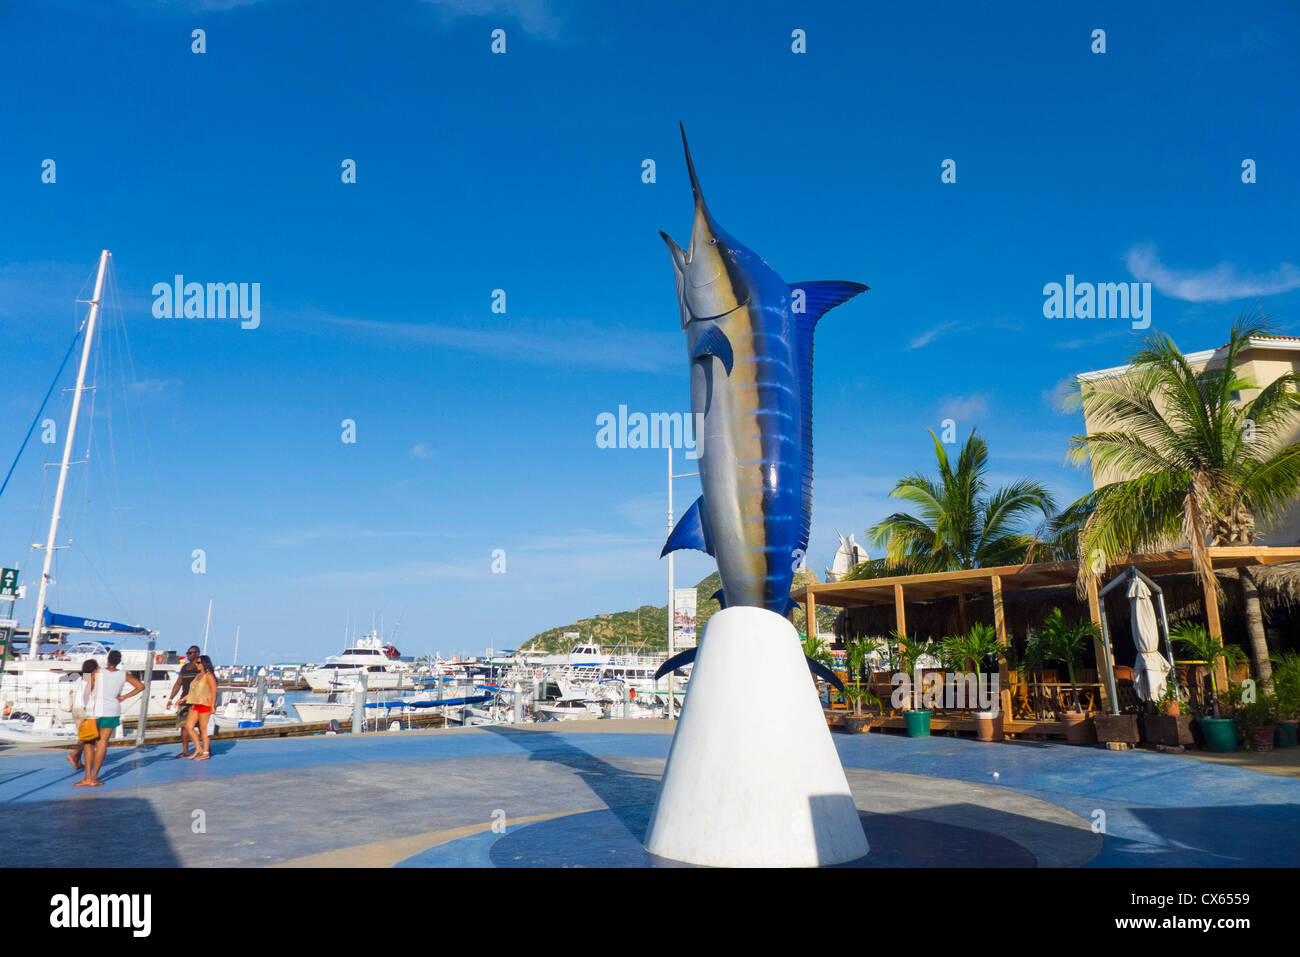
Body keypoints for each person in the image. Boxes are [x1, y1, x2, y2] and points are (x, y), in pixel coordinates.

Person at [87, 649, 144, 786]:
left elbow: (87, 687)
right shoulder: (123, 675)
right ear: (119, 662)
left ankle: (87, 776)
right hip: (112, 709)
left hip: (95, 709)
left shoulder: (97, 672)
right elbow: (140, 686)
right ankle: (95, 777)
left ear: (107, 659)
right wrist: (124, 697)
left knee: (89, 743)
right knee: (103, 743)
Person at [167, 645, 202, 757]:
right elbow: (178, 683)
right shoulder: (185, 668)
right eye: (187, 653)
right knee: (184, 726)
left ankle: (205, 748)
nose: (187, 655)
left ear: (197, 653)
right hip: (184, 701)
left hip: (197, 700)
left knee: (201, 726)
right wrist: (170, 698)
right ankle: (185, 750)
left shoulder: (200, 668)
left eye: (190, 653)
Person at [68, 660, 99, 782]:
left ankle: (79, 762)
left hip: (75, 709)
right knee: (87, 738)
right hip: (84, 709)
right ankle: (73, 754)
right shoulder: (91, 680)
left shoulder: (79, 679)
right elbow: (88, 695)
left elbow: (72, 692)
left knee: (81, 736)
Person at [183, 655, 218, 760]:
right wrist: (184, 698)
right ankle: (198, 748)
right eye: (196, 663)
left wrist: (212, 706)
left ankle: (206, 752)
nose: (196, 664)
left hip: (205, 704)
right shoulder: (198, 675)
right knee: (189, 727)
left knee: (204, 730)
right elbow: (194, 691)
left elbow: (214, 690)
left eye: (198, 663)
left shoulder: (209, 675)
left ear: (204, 664)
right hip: (195, 704)